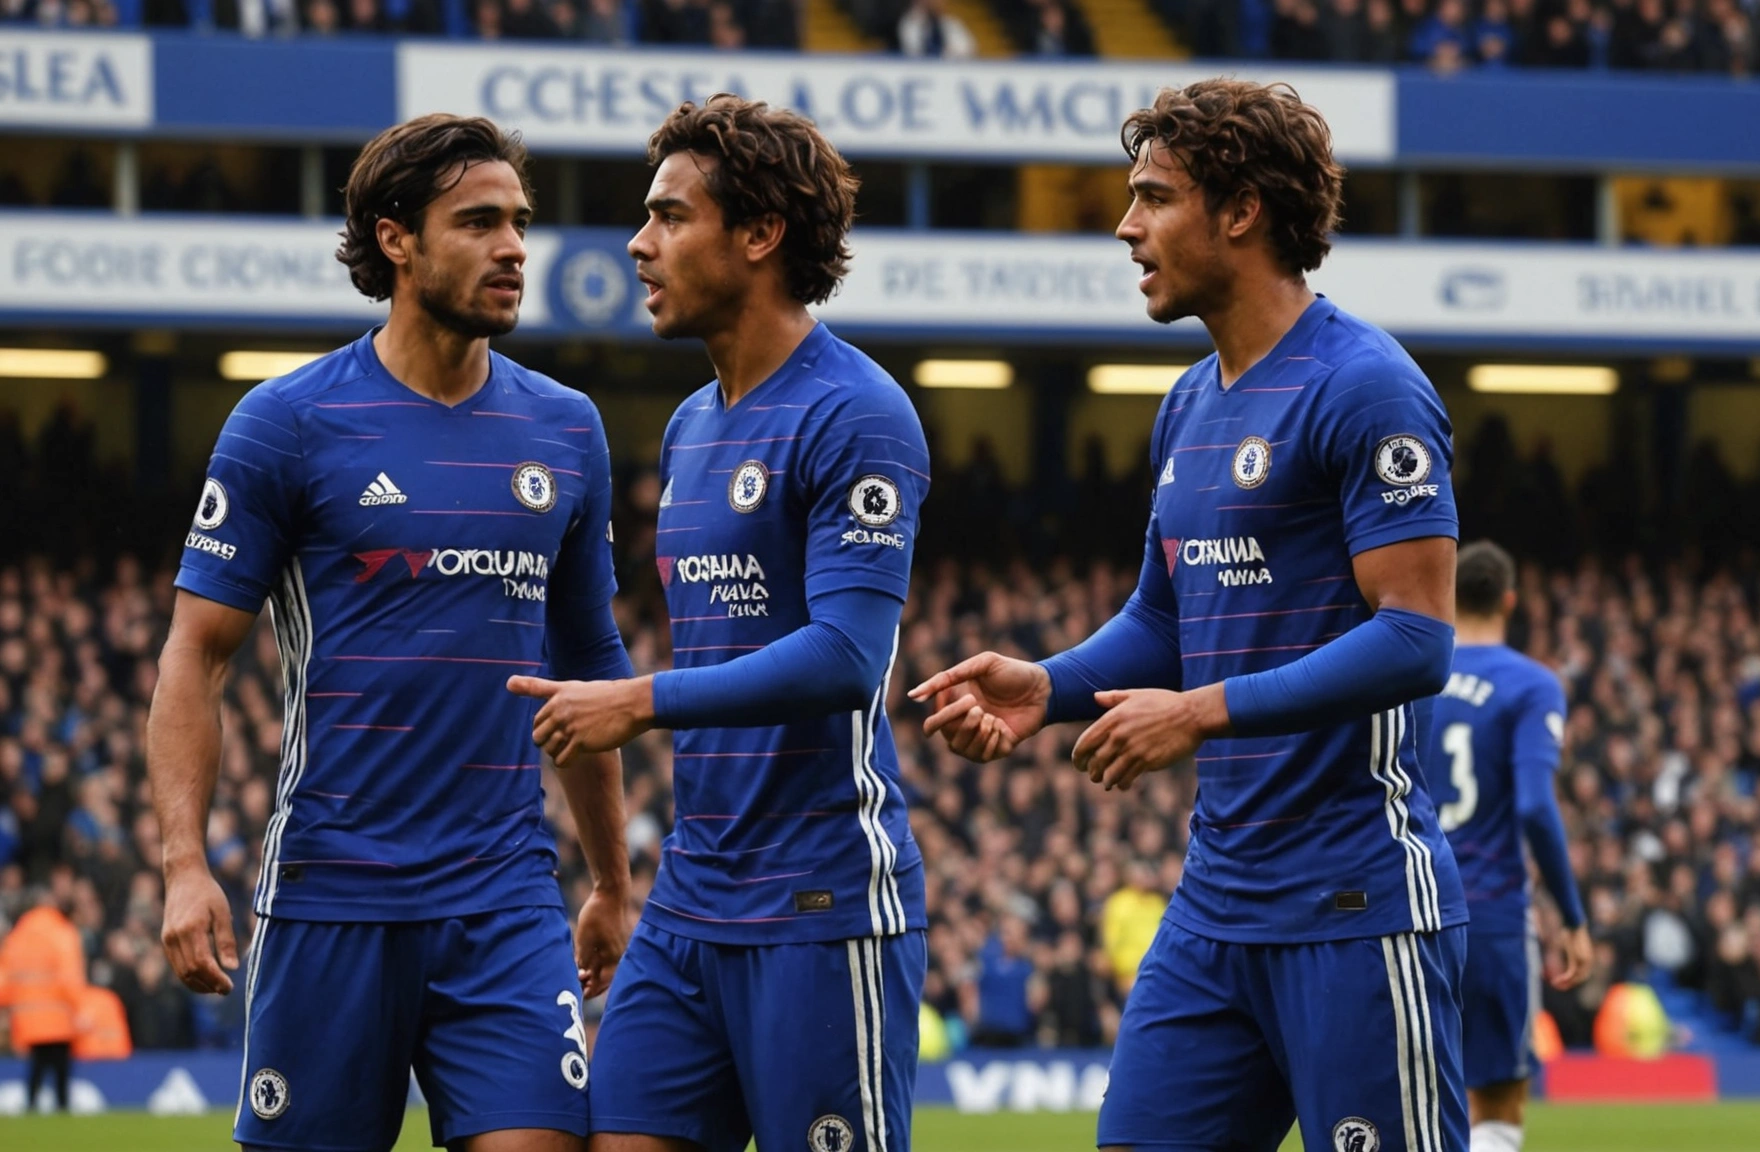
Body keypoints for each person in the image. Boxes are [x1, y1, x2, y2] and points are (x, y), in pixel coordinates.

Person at [911, 78, 1468, 1152]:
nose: (1127, 227)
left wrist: (1200, 713)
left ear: (1242, 210)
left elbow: (1417, 638)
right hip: (1216, 904)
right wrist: (1050, 687)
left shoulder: (1366, 386)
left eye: (1154, 198)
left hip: (1354, 902)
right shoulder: (1187, 404)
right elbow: (1164, 619)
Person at [148, 113, 634, 1152]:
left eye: (520, 222)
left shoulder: (567, 428)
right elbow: (197, 653)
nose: (514, 247)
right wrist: (184, 863)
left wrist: (610, 880)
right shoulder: (287, 423)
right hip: (334, 891)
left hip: (506, 898)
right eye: (479, 223)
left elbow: (590, 666)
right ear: (396, 238)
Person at [505, 94, 930, 1152]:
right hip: (692, 898)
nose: (639, 244)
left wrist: (642, 701)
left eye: (669, 216)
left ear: (759, 235)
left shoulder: (857, 412)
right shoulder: (691, 427)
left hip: (821, 899)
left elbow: (848, 656)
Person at [1424, 541, 1592, 1152]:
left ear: (1449, 596)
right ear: (1510, 602)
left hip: (1405, 912)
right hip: (1489, 911)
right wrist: (1571, 916)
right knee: (1497, 1103)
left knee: (1408, 1104)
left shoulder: (1410, 676)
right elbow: (1535, 807)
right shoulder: (1531, 684)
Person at [0, 888, 85, 1112]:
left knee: (38, 1063)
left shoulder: (16, 936)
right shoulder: (62, 931)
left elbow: (5, 980)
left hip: (27, 1016)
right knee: (60, 1066)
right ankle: (62, 1107)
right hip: (58, 1015)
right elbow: (70, 976)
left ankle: (31, 1106)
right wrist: (79, 1007)